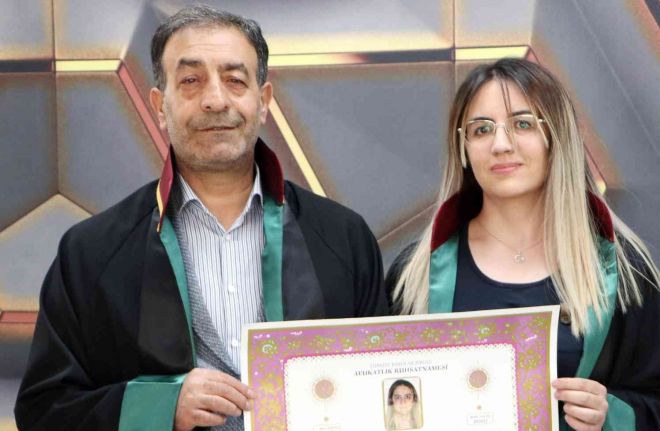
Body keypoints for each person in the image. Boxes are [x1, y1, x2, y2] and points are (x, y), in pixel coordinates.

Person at [15, 5, 387, 431]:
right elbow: (44, 410)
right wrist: (159, 406)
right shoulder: (90, 253)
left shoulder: (343, 239)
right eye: (191, 81)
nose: (215, 100)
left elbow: (382, 393)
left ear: (263, 101)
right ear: (160, 106)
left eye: (235, 80)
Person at [386, 59, 660, 430]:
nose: (501, 145)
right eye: (481, 130)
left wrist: (608, 414)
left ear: (557, 136)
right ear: (463, 148)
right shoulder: (416, 275)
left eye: (523, 124)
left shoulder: (622, 270)